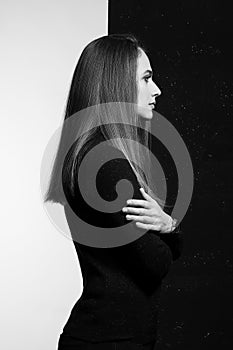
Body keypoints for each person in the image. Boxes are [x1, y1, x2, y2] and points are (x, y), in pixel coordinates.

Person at [44, 33, 183, 350]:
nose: (156, 89)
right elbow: (156, 264)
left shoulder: (96, 154)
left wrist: (166, 228)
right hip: (110, 340)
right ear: (116, 82)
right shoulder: (106, 164)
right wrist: (170, 228)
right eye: (146, 78)